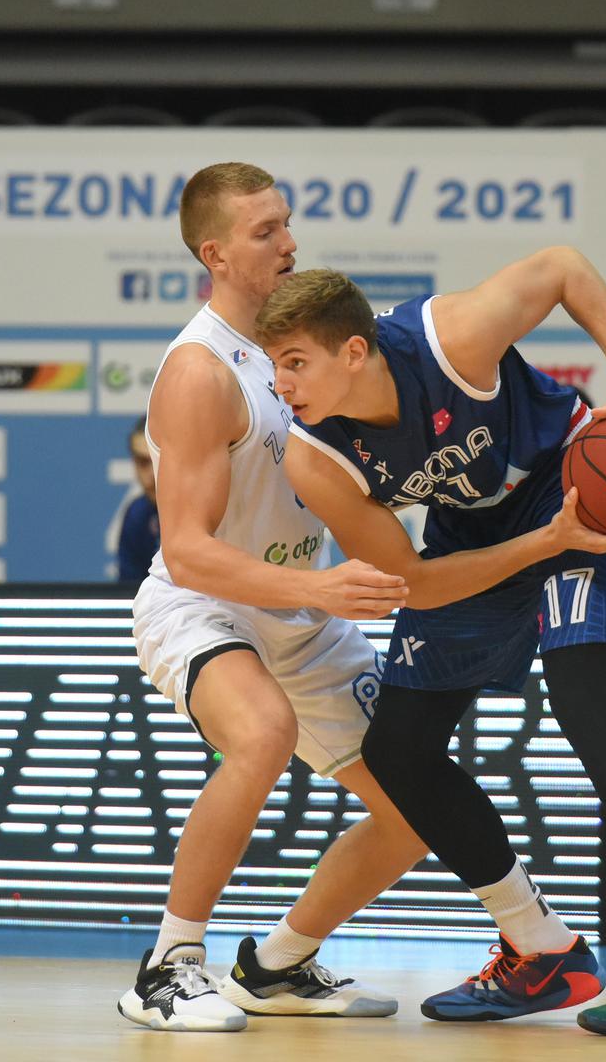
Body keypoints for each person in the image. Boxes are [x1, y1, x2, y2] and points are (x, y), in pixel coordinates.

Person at [257, 262, 606, 1037]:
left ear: (353, 351)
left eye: (294, 364)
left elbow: (563, 268)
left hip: (579, 495)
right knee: (399, 749)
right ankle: (541, 947)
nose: (280, 385)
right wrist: (536, 545)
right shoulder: (313, 455)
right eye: (272, 366)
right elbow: (415, 584)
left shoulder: (450, 337)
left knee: (586, 705)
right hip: (483, 539)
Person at [120, 162, 428, 1032]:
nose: (290, 242)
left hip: (298, 610)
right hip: (201, 605)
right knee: (263, 732)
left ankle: (279, 963)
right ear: (215, 253)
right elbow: (185, 549)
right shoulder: (199, 372)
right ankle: (168, 965)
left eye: (287, 224)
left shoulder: (305, 345)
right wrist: (319, 585)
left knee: (417, 805)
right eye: (266, 233)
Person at [116, 416, 161, 582]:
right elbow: (128, 592)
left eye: (158, 459)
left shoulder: (211, 510)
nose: (152, 474)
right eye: (143, 462)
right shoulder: (137, 516)